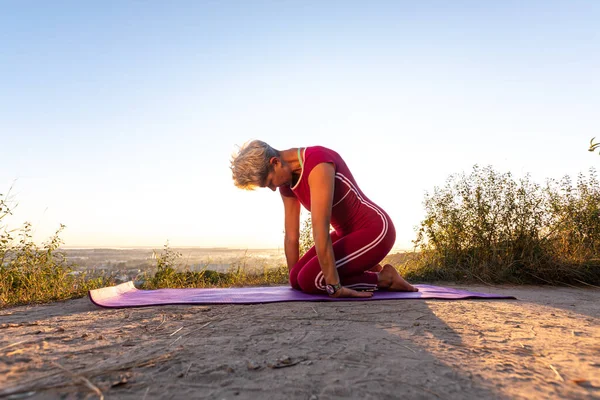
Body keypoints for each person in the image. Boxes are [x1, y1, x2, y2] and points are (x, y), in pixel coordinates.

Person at [230, 140, 418, 298]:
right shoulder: (287, 183)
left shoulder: (318, 163)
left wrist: (334, 287)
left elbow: (320, 231)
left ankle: (385, 278)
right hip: (346, 236)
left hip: (375, 231)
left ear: (275, 162)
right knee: (298, 279)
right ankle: (370, 270)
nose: (272, 188)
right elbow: (291, 236)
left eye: (269, 182)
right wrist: (296, 285)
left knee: (312, 280)